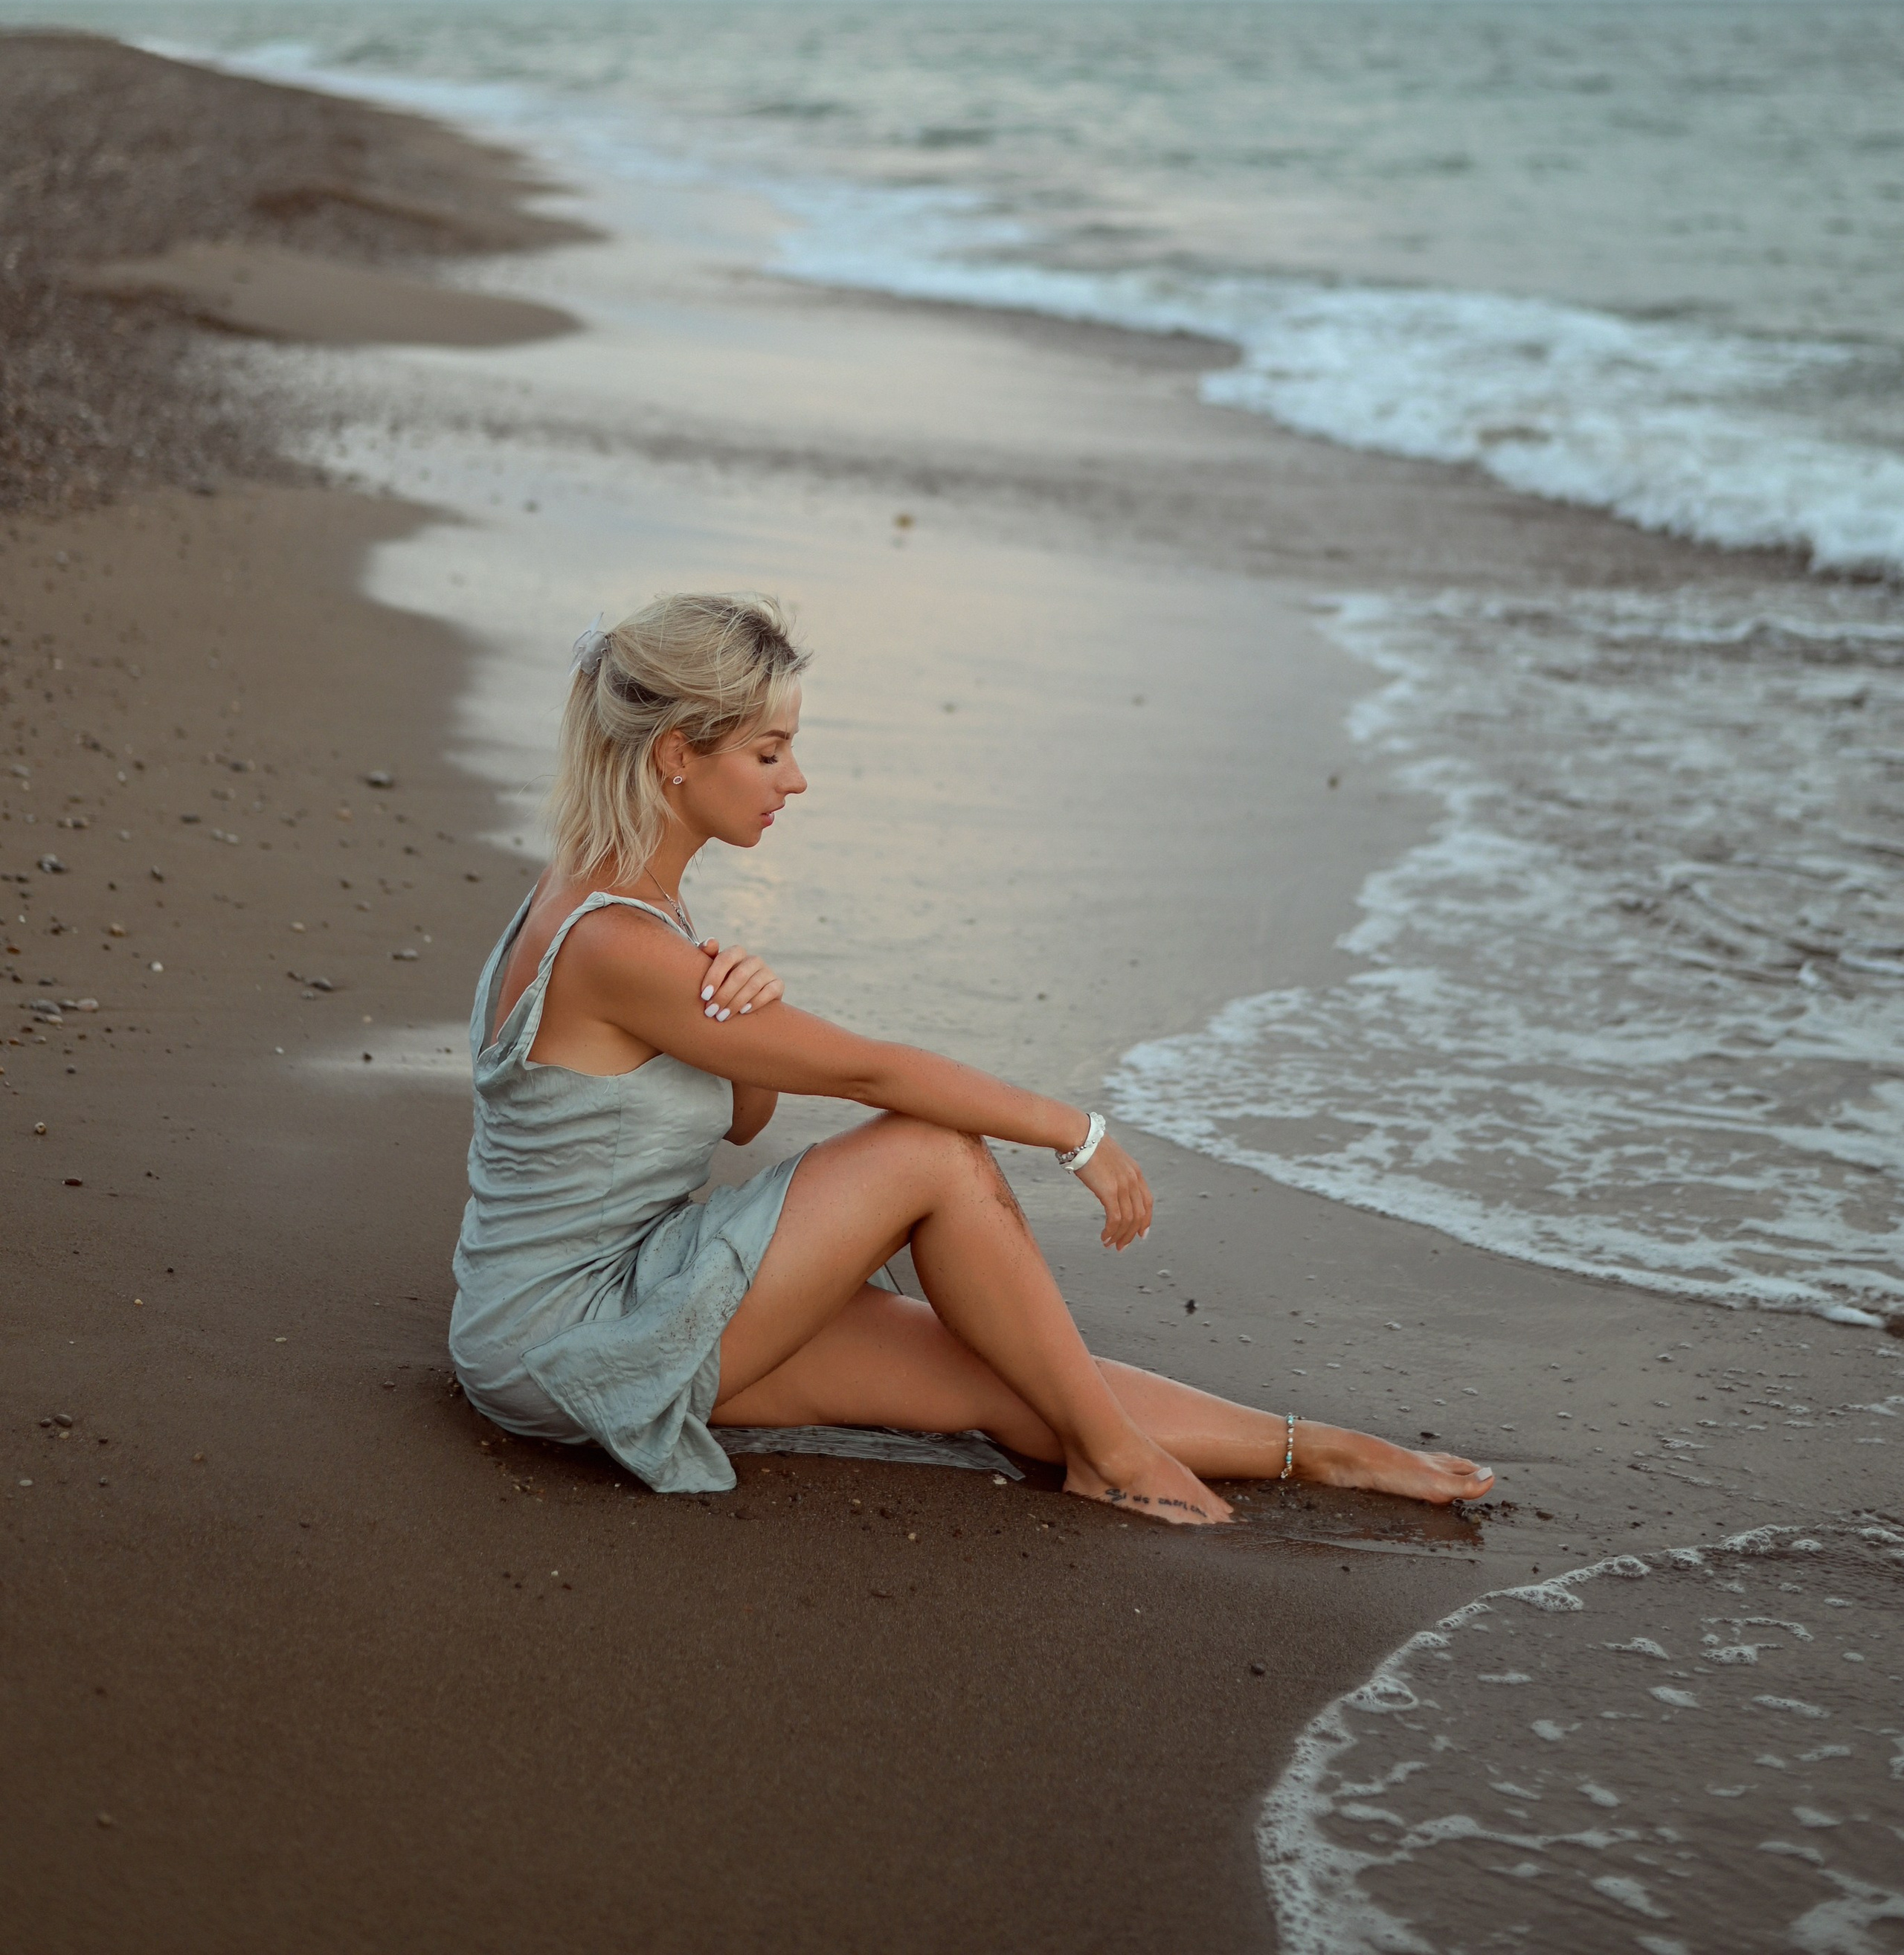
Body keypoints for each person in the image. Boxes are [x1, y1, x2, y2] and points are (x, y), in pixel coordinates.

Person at [449, 593, 1494, 1527]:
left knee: (1000, 1368)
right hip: (569, 1332)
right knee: (932, 1150)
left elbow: (741, 1119)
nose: (796, 781)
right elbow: (869, 1076)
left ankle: (1314, 1448)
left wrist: (740, 1014)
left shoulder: (629, 895)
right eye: (769, 754)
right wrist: (1072, 1132)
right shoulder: (617, 940)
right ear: (677, 753)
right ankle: (1114, 1455)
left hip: (632, 1287)